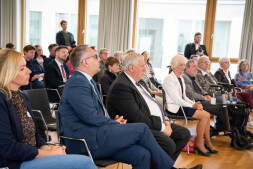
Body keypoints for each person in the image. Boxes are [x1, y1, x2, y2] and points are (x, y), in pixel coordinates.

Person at [59, 45, 177, 169]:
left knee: (142, 154)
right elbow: (90, 117)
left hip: (96, 135)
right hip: (84, 142)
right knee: (141, 129)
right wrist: (113, 124)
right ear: (85, 62)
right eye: (95, 57)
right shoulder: (77, 82)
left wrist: (112, 123)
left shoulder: (86, 81)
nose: (99, 59)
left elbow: (94, 115)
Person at [0, 49, 97, 169]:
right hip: (14, 163)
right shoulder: (2, 100)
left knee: (73, 158)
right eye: (22, 68)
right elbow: (8, 148)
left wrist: (49, 148)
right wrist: (49, 153)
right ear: (7, 73)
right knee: (84, 163)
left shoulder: (21, 96)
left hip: (31, 157)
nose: (29, 71)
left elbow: (36, 137)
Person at [106, 53, 202, 169]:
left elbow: (154, 103)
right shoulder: (121, 86)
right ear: (131, 68)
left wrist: (165, 119)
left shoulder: (138, 81)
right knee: (168, 144)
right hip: (136, 128)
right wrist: (162, 127)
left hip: (152, 121)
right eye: (142, 66)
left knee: (184, 134)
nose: (145, 69)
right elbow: (136, 118)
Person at [163, 54, 217, 157]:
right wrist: (192, 106)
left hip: (181, 105)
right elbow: (176, 99)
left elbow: (184, 97)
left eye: (184, 65)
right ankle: (199, 143)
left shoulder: (181, 79)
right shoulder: (169, 79)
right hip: (174, 108)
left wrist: (194, 103)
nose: (183, 67)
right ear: (174, 66)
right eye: (181, 65)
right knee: (205, 115)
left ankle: (207, 142)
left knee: (206, 114)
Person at [181, 59, 226, 129]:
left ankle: (222, 127)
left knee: (223, 106)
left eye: (196, 66)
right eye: (193, 66)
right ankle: (221, 129)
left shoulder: (193, 76)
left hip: (202, 99)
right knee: (221, 108)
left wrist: (206, 94)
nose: (196, 68)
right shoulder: (184, 77)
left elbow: (200, 89)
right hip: (195, 101)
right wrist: (204, 98)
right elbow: (190, 94)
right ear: (187, 68)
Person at [215, 57, 253, 128]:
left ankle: (246, 120)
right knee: (240, 101)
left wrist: (233, 88)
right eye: (227, 62)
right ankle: (246, 121)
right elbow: (218, 85)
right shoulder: (218, 72)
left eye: (229, 62)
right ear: (221, 64)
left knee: (247, 95)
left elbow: (231, 83)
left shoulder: (228, 72)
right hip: (226, 93)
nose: (229, 64)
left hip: (232, 91)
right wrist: (228, 89)